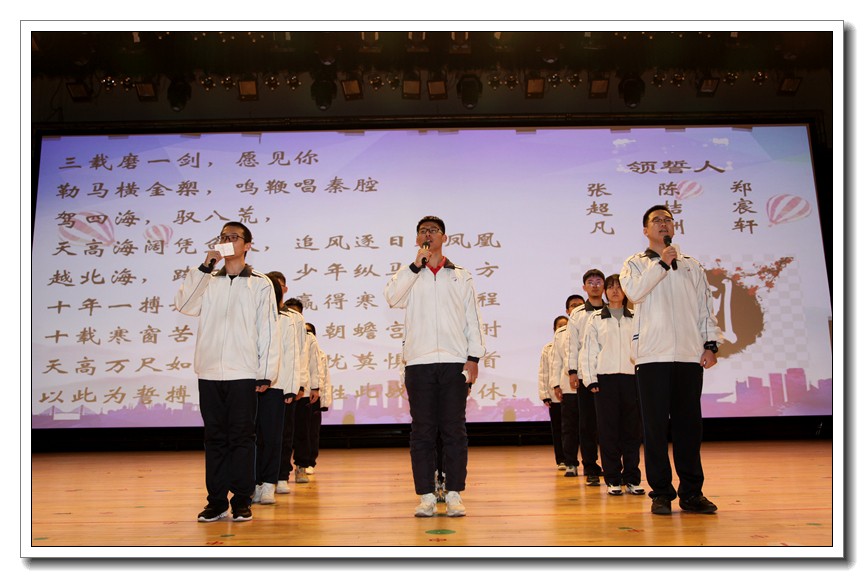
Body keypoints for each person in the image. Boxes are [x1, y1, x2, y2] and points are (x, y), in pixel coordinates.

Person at [619, 204, 724, 516]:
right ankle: (661, 493)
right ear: (645, 230)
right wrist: (662, 264)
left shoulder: (691, 265)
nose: (663, 224)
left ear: (674, 227)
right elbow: (634, 293)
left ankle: (692, 493)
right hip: (652, 356)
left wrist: (710, 345)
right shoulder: (635, 263)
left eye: (668, 219)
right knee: (654, 429)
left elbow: (705, 307)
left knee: (689, 428)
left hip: (689, 356)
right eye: (657, 220)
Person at [175, 222, 280, 523]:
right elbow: (184, 305)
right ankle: (216, 501)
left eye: (234, 237)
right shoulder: (208, 279)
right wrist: (204, 267)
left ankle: (242, 500)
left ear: (247, 245)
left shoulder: (260, 283)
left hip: (243, 372)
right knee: (214, 439)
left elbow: (268, 330)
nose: (227, 241)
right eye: (223, 237)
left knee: (242, 438)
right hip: (209, 371)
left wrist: (266, 372)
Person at [384, 216, 486, 517]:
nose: (427, 235)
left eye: (433, 230)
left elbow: (473, 318)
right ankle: (426, 495)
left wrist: (474, 357)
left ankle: (454, 493)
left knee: (454, 430)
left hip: (455, 362)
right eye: (422, 231)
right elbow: (392, 298)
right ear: (417, 239)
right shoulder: (409, 273)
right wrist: (415, 267)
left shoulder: (461, 276)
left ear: (444, 237)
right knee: (422, 432)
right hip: (419, 362)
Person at [579, 274, 645, 497]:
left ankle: (632, 478)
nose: (615, 290)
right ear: (606, 291)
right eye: (611, 287)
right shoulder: (596, 318)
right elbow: (588, 350)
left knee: (632, 432)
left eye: (619, 286)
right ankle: (613, 479)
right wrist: (590, 379)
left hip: (631, 379)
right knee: (608, 432)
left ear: (626, 291)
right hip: (605, 380)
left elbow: (643, 348)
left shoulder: (636, 317)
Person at [566, 270, 607, 486]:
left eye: (599, 282)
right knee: (588, 423)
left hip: (610, 373)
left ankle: (612, 467)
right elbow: (572, 344)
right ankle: (590, 467)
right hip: (586, 375)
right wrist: (572, 371)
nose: (595, 285)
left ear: (604, 286)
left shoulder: (614, 309)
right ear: (584, 287)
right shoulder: (578, 314)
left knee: (610, 423)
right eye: (590, 282)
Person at [268, 281, 308, 495]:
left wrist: (299, 383)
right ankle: (261, 480)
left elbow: (299, 353)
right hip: (260, 384)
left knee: (285, 433)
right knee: (260, 436)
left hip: (284, 384)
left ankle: (282, 475)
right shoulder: (258, 312)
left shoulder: (294, 318)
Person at [281, 298, 320, 485]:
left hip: (303, 393)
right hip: (284, 391)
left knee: (303, 433)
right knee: (284, 433)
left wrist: (315, 387)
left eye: (296, 313)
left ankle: (302, 467)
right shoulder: (280, 333)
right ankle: (281, 472)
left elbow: (314, 364)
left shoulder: (309, 337)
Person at [550, 296, 587, 477]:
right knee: (569, 428)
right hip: (568, 387)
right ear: (567, 311)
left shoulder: (591, 325)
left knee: (589, 428)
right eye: (573, 306)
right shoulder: (561, 333)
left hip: (589, 384)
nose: (577, 308)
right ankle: (571, 463)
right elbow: (556, 360)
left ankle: (591, 465)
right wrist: (555, 384)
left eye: (580, 305)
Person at [538, 315, 570, 471]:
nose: (563, 328)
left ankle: (574, 459)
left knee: (573, 429)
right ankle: (561, 459)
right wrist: (545, 394)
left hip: (571, 393)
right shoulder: (548, 348)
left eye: (566, 325)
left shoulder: (574, 346)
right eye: (559, 326)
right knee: (558, 429)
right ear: (554, 329)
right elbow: (543, 372)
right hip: (555, 396)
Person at [305, 322, 332, 475]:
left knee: (312, 432)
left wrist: (324, 401)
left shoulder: (320, 354)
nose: (307, 335)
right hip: (297, 396)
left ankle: (310, 462)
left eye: (309, 332)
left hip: (314, 397)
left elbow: (325, 379)